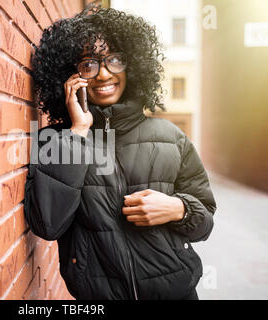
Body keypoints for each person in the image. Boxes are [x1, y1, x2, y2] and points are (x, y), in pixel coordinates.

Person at [24, 7, 216, 300]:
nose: (103, 74)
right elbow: (48, 224)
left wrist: (178, 209)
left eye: (114, 60)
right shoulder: (57, 141)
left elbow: (204, 223)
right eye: (88, 64)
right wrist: (78, 131)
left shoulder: (171, 137)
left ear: (133, 66)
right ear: (70, 74)